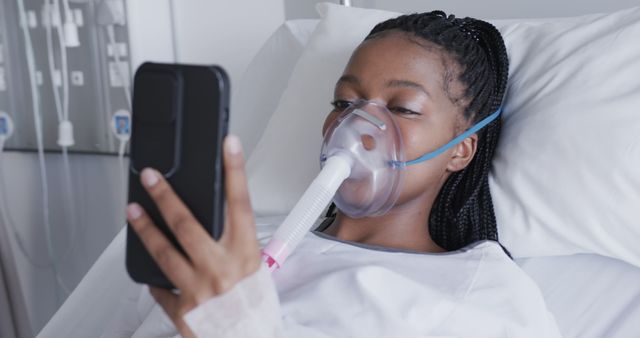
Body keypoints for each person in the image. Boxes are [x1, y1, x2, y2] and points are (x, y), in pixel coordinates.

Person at [125, 11, 561, 337]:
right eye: (343, 103)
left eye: (401, 108)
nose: (358, 126)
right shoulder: (234, 246)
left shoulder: (486, 296)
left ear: (461, 150)